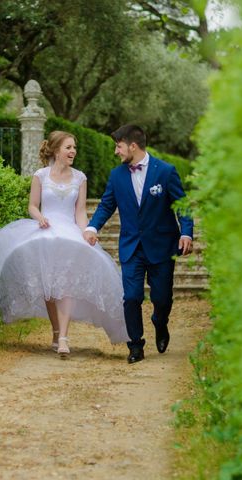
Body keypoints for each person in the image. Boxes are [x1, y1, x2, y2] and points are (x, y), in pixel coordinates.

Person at [0, 130, 129, 357]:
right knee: (50, 288)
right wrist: (39, 218)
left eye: (74, 147)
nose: (73, 151)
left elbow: (80, 211)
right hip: (45, 232)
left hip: (69, 234)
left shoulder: (80, 178)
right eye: (68, 147)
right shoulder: (40, 175)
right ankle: (56, 331)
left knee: (65, 284)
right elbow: (32, 206)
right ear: (56, 151)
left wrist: (86, 232)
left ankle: (64, 337)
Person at [83, 125, 194, 364]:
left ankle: (160, 323)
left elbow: (182, 206)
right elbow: (106, 205)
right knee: (131, 297)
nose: (115, 151)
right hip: (131, 247)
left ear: (133, 145)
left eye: (118, 146)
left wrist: (186, 233)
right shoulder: (117, 175)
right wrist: (92, 227)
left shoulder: (165, 171)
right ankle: (135, 345)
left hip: (162, 246)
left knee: (162, 299)